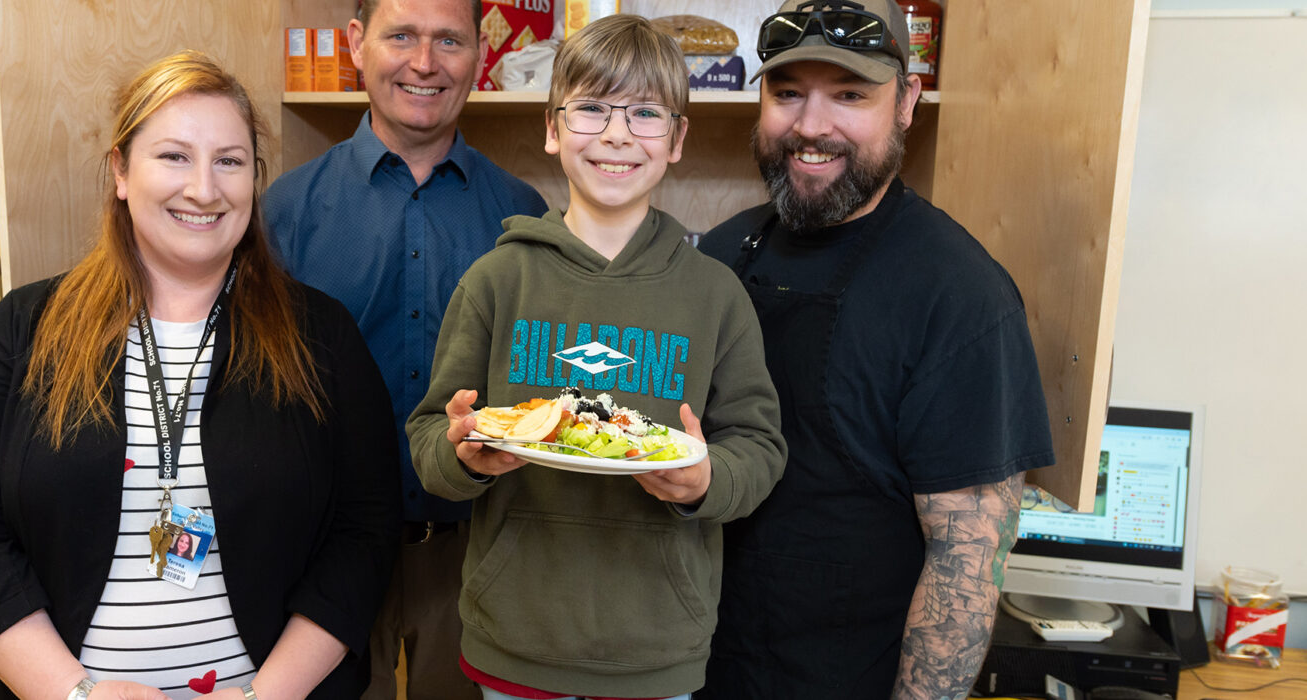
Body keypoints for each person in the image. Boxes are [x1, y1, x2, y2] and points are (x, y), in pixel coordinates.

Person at [0, 51, 400, 700]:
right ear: (121, 170)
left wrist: (266, 697)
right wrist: (75, 695)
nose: (204, 189)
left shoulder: (321, 337)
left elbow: (365, 532)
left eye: (229, 161)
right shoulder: (24, 330)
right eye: (174, 156)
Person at [407, 15, 787, 700]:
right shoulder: (496, 281)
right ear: (553, 129)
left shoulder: (715, 294)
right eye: (591, 109)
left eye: (645, 113)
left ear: (677, 139)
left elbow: (758, 447)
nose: (616, 134)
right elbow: (432, 436)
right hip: (515, 638)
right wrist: (462, 454)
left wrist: (707, 480)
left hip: (657, 646)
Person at [694, 2, 1056, 698]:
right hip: (695, 671)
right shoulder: (721, 253)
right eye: (787, 92)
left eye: (850, 95)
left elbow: (966, 565)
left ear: (907, 102)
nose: (810, 126)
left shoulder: (959, 294)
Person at [260, 1, 546, 698]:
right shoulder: (284, 211)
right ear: (357, 44)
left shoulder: (525, 217)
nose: (424, 62)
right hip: (321, 557)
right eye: (402, 36)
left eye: (449, 40)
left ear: (480, 54)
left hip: (474, 553)